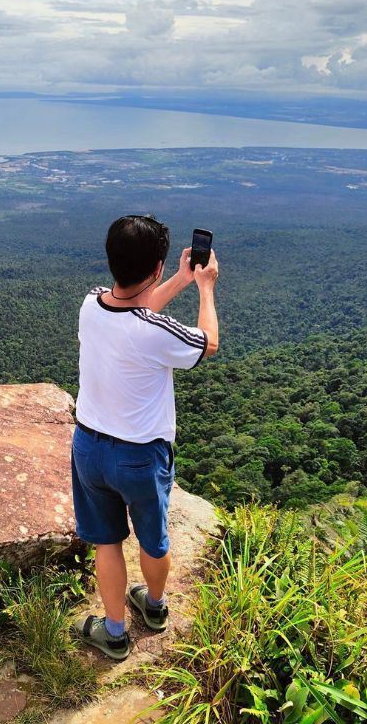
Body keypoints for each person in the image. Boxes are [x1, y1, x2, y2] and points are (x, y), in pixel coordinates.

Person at [70, 214, 219, 661]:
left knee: (107, 542)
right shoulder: (156, 333)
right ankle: (154, 609)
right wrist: (205, 286)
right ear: (153, 268)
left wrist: (177, 277)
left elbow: (135, 309)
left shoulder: (90, 303)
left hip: (90, 448)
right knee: (153, 539)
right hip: (140, 455)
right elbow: (207, 343)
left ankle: (114, 633)